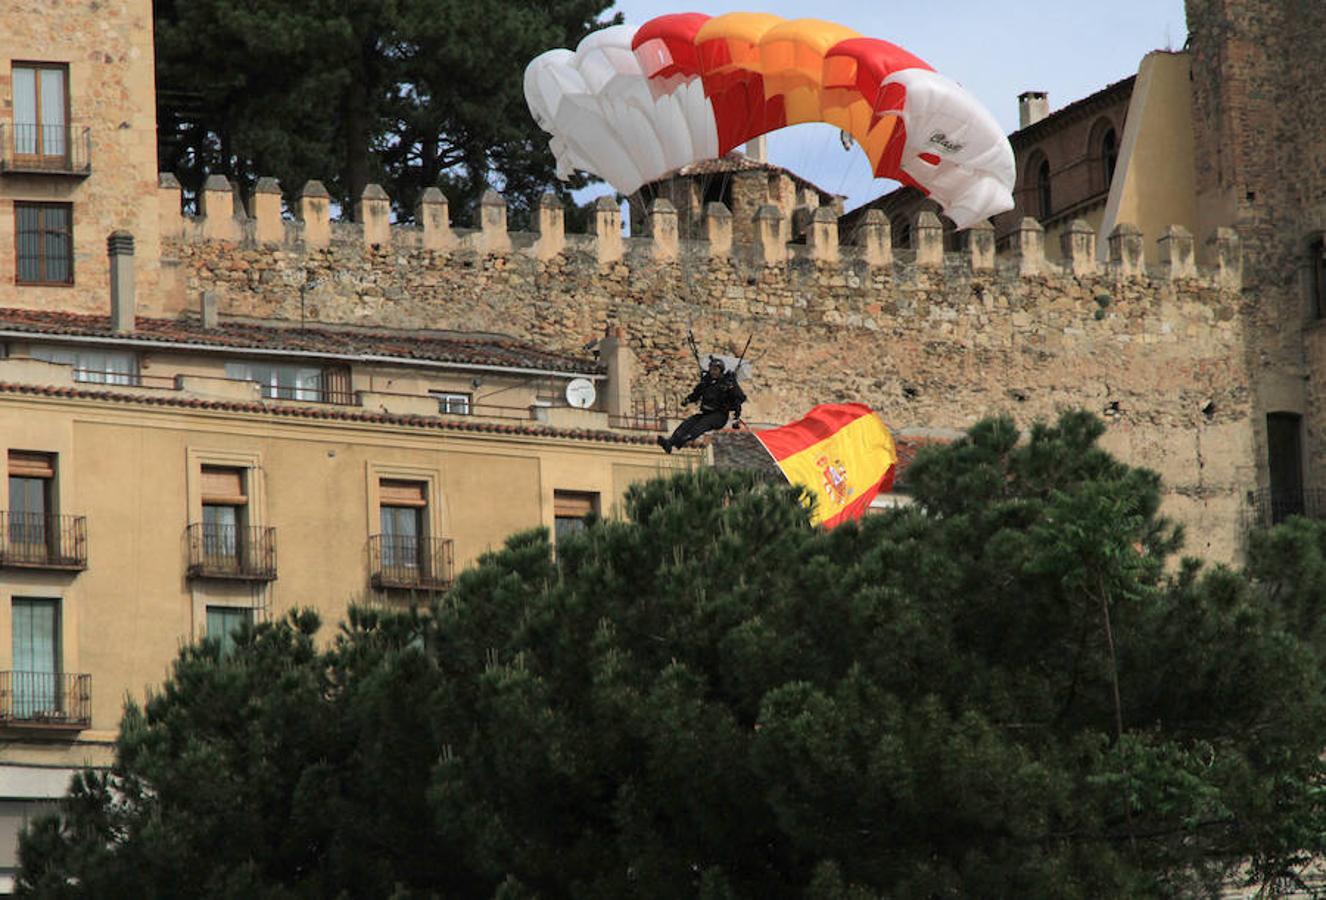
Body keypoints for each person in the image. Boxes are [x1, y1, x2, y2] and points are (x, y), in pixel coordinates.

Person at [657, 356, 746, 453]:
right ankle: (669, 443)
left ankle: (682, 440)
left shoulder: (727, 383)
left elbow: (740, 398)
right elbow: (696, 394)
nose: (713, 372)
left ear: (721, 371)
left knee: (701, 424)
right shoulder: (706, 383)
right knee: (688, 423)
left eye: (715, 369)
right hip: (706, 412)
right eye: (711, 369)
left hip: (719, 416)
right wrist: (687, 400)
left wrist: (732, 387)